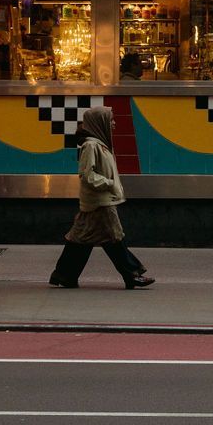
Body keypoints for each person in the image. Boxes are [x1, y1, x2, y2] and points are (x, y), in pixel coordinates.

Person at [49, 107, 154, 289]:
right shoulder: (91, 146)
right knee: (114, 237)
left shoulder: (99, 144)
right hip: (100, 201)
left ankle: (64, 274)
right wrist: (110, 183)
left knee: (81, 238)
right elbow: (87, 175)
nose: (113, 123)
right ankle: (132, 274)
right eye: (110, 120)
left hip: (97, 201)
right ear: (100, 123)